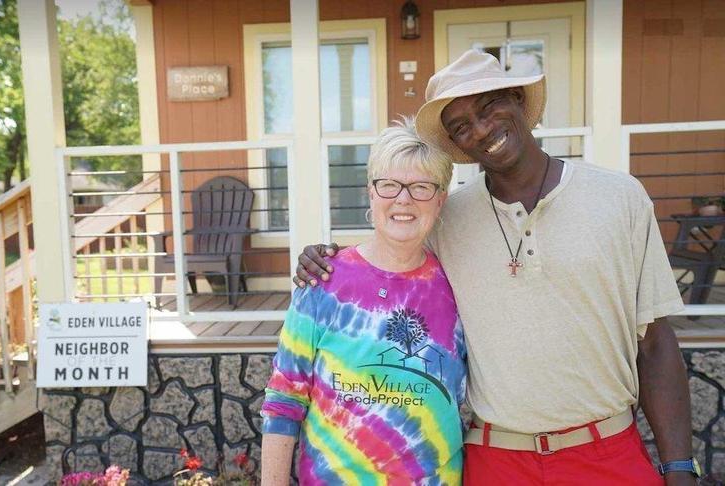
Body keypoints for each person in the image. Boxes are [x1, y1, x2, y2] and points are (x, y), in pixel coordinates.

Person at [293, 50, 698, 485]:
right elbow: (388, 255)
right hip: (497, 458)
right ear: (458, 145)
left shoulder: (619, 198)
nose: (482, 129)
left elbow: (655, 343)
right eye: (461, 127)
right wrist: (330, 259)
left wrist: (680, 468)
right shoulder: (446, 220)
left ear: (518, 101)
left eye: (489, 107)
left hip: (607, 452)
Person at [261, 119, 467, 485]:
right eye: (389, 184)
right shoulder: (323, 281)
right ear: (371, 193)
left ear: (441, 199)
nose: (403, 199)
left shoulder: (458, 286)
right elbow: (284, 400)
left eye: (421, 187)